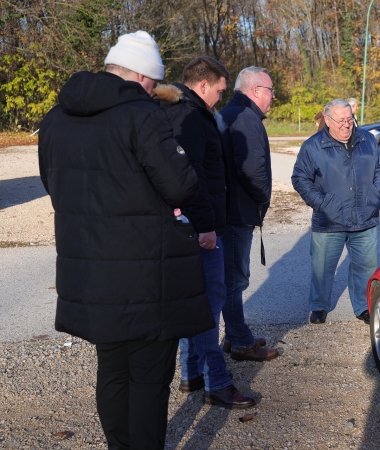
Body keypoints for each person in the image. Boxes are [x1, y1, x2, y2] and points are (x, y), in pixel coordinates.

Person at [38, 31, 215, 450]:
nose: (155, 88)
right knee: (150, 375)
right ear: (139, 74)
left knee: (112, 368)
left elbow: (53, 183)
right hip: (146, 269)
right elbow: (179, 186)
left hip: (89, 267)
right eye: (153, 80)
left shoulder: (55, 118)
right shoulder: (142, 115)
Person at [154, 56, 256, 409]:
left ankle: (192, 372)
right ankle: (217, 382)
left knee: (195, 304)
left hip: (197, 225)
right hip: (203, 229)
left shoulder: (187, 111)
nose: (221, 98)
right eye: (219, 90)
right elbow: (189, 176)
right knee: (208, 306)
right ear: (202, 86)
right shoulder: (189, 116)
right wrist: (206, 227)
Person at [291, 98, 380, 325]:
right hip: (329, 220)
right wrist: (322, 204)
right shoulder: (312, 146)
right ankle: (319, 305)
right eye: (341, 120)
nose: (347, 125)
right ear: (327, 120)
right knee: (322, 268)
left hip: (365, 217)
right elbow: (300, 178)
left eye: (350, 119)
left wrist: (377, 193)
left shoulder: (368, 140)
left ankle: (363, 306)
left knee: (365, 267)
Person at [216, 66, 279, 361]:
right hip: (235, 212)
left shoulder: (234, 113)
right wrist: (263, 197)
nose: (273, 97)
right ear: (255, 91)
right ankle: (240, 340)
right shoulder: (244, 117)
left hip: (232, 209)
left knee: (232, 277)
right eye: (270, 90)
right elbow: (252, 170)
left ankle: (235, 334)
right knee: (234, 279)